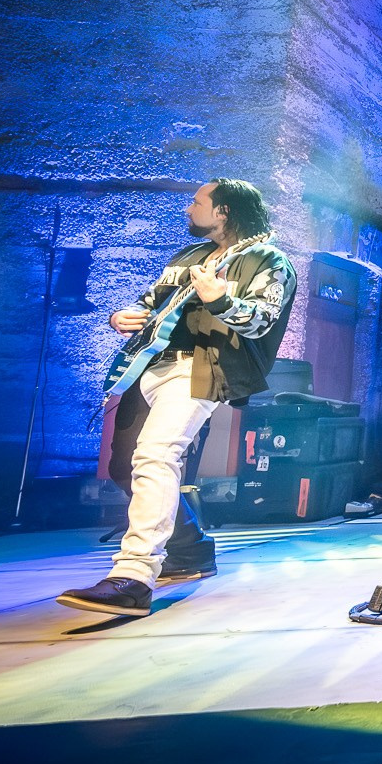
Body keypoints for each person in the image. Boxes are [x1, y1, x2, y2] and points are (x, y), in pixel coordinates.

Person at [57, 179, 297, 617]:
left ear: (223, 211)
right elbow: (150, 304)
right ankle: (190, 551)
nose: (189, 209)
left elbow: (261, 322)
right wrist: (122, 316)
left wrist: (221, 300)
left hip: (199, 368)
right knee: (122, 467)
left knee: (155, 454)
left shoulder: (266, 259)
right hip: (149, 366)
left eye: (197, 202)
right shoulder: (188, 257)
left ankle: (133, 577)